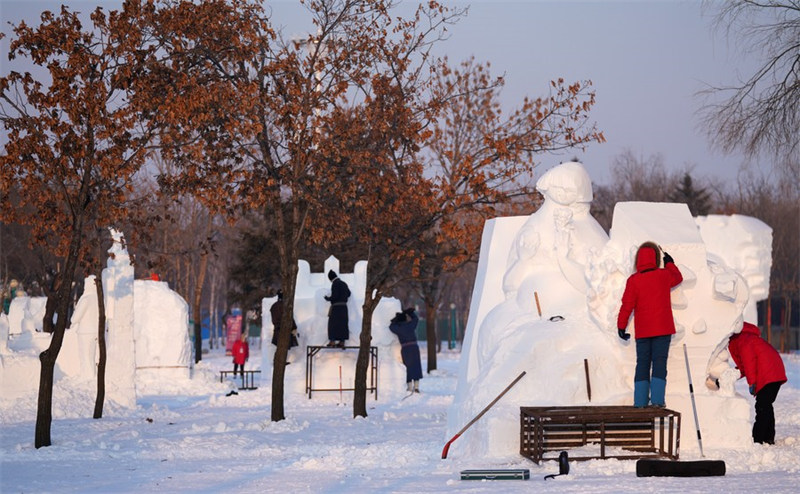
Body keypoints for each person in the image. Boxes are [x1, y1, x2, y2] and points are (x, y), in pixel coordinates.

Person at [617, 241, 683, 408]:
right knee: (659, 362)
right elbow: (678, 277)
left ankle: (639, 401)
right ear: (655, 258)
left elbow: (627, 305)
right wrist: (670, 263)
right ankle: (658, 401)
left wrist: (621, 326)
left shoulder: (633, 280)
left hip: (644, 331)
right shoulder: (664, 275)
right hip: (663, 329)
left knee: (643, 363)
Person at [709, 322, 787, 444]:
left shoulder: (743, 340)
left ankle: (758, 438)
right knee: (766, 405)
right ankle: (768, 437)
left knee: (762, 406)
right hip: (774, 372)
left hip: (769, 374)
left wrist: (752, 383)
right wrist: (728, 377)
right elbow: (744, 367)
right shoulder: (746, 338)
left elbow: (749, 364)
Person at [389, 307, 423, 393]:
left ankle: (409, 387)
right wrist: (410, 313)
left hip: (406, 349)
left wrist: (396, 319)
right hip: (414, 347)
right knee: (416, 366)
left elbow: (391, 326)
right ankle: (416, 386)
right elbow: (416, 319)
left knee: (407, 366)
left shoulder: (398, 328)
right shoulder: (410, 325)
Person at [324, 270, 350, 348]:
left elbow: (335, 296)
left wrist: (328, 298)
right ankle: (342, 342)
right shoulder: (344, 283)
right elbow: (349, 293)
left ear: (330, 278)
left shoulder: (335, 284)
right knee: (342, 324)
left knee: (332, 324)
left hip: (336, 308)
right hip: (344, 308)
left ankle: (332, 341)